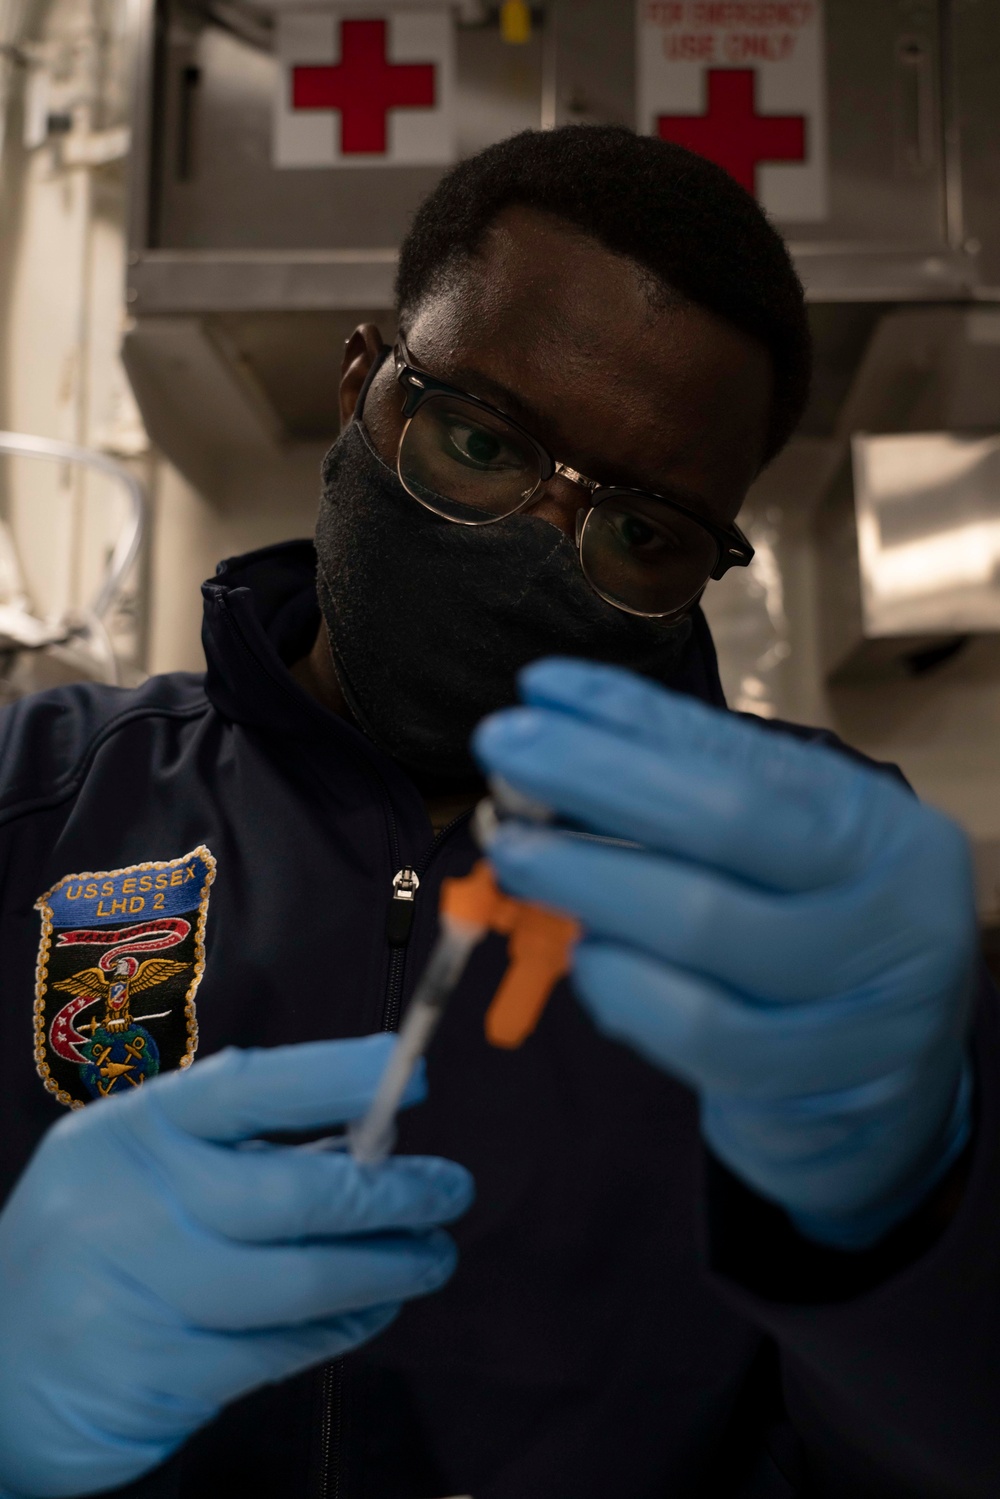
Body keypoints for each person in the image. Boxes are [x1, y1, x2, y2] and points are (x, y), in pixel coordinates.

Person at [0, 125, 995, 1499]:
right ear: (367, 385)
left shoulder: (798, 903)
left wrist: (915, 1221)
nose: (537, 543)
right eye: (480, 440)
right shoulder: (34, 803)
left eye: (642, 532)